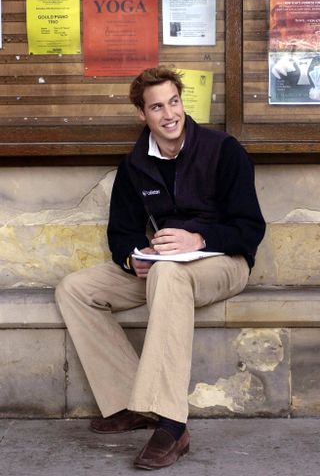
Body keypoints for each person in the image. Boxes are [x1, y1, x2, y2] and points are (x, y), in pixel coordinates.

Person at [55, 66, 266, 470]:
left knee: (170, 273)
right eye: (157, 107)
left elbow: (249, 229)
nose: (169, 114)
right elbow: (120, 233)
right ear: (142, 114)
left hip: (223, 263)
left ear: (182, 102)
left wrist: (200, 240)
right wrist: (133, 259)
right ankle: (130, 402)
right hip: (164, 267)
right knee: (74, 289)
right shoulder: (134, 165)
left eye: (174, 102)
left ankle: (172, 424)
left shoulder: (223, 150)